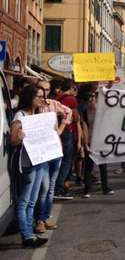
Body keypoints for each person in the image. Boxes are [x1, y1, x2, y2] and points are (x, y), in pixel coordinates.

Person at [11, 85, 56, 247]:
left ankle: (30, 234)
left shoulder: (37, 115)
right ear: (30, 97)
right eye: (38, 96)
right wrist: (20, 137)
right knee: (24, 201)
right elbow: (13, 141)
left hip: (39, 161)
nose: (41, 99)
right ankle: (27, 236)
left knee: (32, 201)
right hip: (28, 164)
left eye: (42, 96)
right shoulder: (20, 115)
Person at [33, 80, 72, 233]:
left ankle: (45, 217)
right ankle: (39, 220)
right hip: (40, 153)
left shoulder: (53, 104)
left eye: (48, 89)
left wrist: (61, 128)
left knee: (50, 187)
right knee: (42, 187)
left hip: (55, 150)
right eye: (42, 89)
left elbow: (68, 112)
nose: (46, 92)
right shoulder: (34, 107)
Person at [77, 83, 115, 198]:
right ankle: (87, 189)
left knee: (103, 166)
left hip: (102, 141)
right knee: (89, 167)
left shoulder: (102, 110)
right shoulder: (84, 112)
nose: (92, 100)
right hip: (91, 142)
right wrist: (86, 144)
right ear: (86, 101)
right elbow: (84, 128)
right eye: (90, 98)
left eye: (94, 97)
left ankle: (106, 188)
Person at [54, 79, 80, 200]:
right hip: (68, 130)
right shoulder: (71, 99)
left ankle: (57, 186)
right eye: (74, 88)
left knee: (61, 160)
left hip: (59, 130)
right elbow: (76, 117)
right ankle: (59, 187)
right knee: (67, 161)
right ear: (71, 88)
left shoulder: (58, 98)